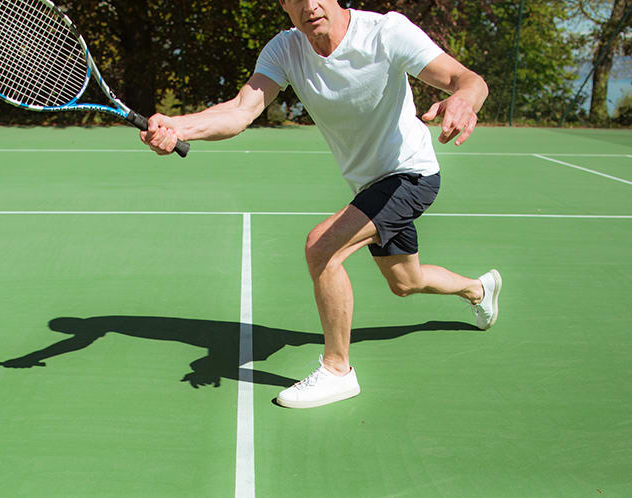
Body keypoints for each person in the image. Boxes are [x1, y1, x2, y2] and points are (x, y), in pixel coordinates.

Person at [141, 0, 500, 409]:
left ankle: (338, 370)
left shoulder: (385, 33)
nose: (310, 5)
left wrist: (463, 101)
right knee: (406, 282)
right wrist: (179, 125)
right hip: (370, 186)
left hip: (411, 174)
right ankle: (478, 288)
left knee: (322, 248)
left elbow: (466, 78)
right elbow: (242, 111)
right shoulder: (285, 50)